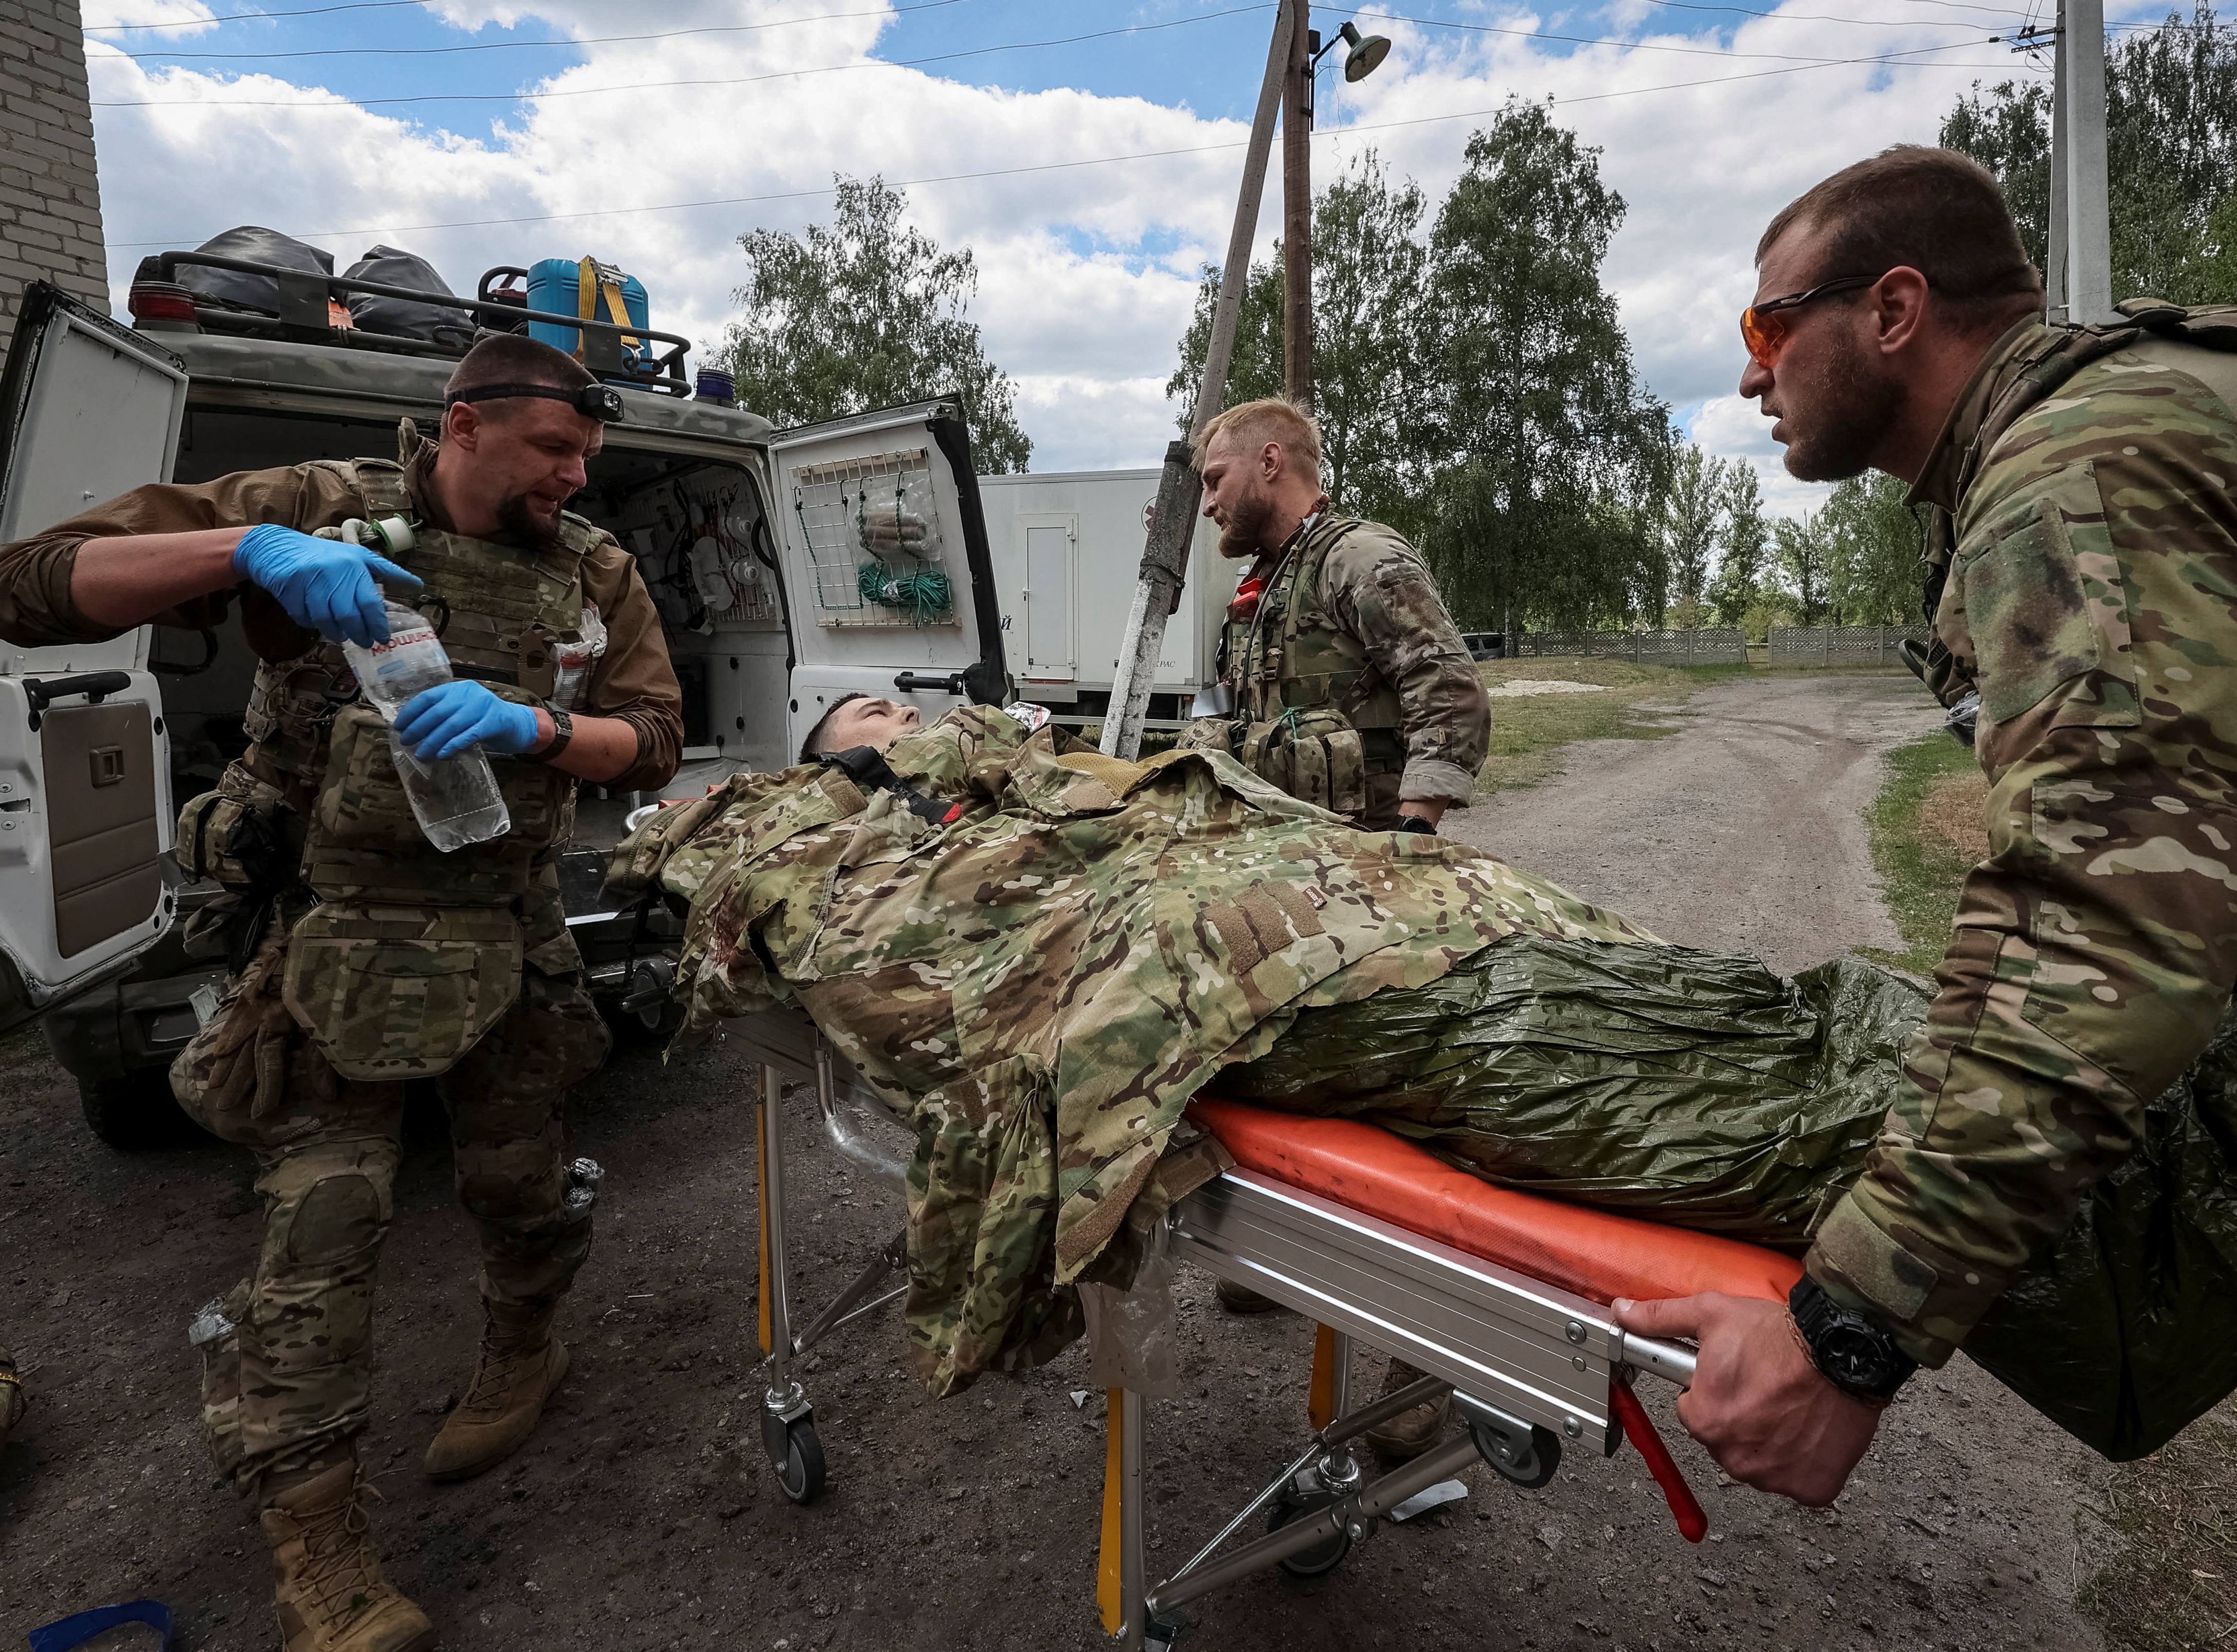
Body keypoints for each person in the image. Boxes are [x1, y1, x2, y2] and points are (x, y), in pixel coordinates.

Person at [0, 333, 682, 1652]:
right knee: (321, 1239)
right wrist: (245, 557)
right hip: (337, 942)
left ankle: (523, 1345)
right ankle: (321, 1558)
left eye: (589, 453)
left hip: (509, 932)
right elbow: (29, 586)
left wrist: (531, 728)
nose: (577, 473)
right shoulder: (318, 511)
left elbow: (648, 736)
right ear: (465, 426)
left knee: (521, 1189)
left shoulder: (595, 570)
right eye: (555, 448)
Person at [1615, 145, 2237, 1507]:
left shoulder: (2076, 469)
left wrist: (1853, 1330)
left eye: (1768, 326)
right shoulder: (2127, 410)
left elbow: (2101, 925)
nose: (1747, 374)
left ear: (1893, 311)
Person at [1175, 397, 1493, 1449]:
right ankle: (1290, 1266)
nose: (1206, 497)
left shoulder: (1361, 559)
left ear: (1273, 461)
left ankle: (1425, 1360)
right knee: (1288, 1091)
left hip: (1377, 898)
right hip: (1288, 896)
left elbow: (1450, 693)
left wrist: (1410, 841)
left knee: (1407, 1113)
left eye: (1215, 477)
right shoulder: (1256, 593)